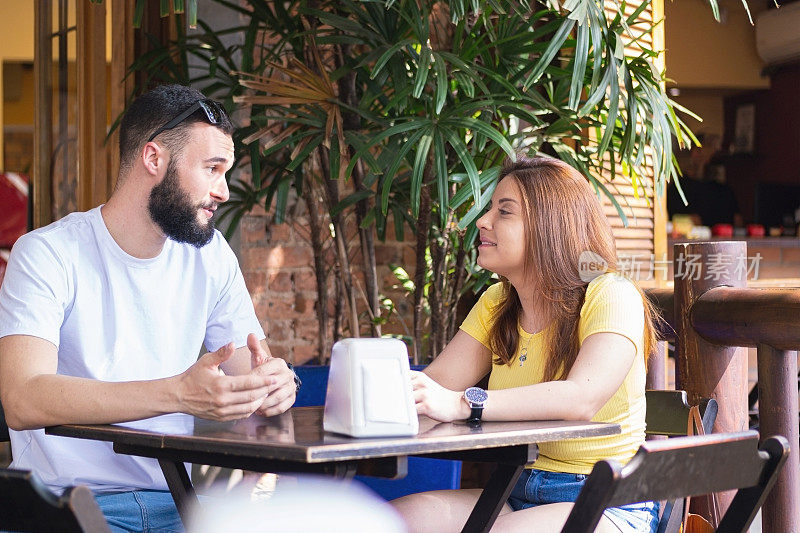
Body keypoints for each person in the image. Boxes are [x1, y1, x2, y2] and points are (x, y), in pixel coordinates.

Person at [0, 85, 298, 532]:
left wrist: (274, 383)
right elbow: (23, 398)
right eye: (212, 169)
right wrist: (177, 393)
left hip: (177, 505)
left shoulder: (210, 254)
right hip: (68, 509)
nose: (223, 191)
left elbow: (247, 371)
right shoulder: (46, 253)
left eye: (226, 172)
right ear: (154, 159)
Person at [393, 156, 661, 533]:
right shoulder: (496, 303)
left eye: (504, 212)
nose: (483, 222)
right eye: (490, 210)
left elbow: (580, 398)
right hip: (514, 489)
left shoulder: (611, 294)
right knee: (384, 521)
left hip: (607, 501)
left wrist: (462, 404)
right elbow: (433, 391)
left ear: (551, 226)